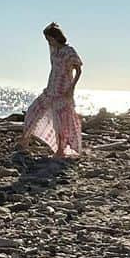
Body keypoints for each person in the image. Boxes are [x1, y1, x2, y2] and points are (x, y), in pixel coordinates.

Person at [20, 22, 83, 158]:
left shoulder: (69, 51)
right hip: (50, 89)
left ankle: (60, 150)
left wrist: (71, 88)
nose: (48, 42)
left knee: (61, 122)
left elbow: (78, 70)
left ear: (56, 37)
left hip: (63, 91)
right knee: (33, 111)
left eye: (50, 39)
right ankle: (24, 141)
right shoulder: (54, 51)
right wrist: (50, 27)